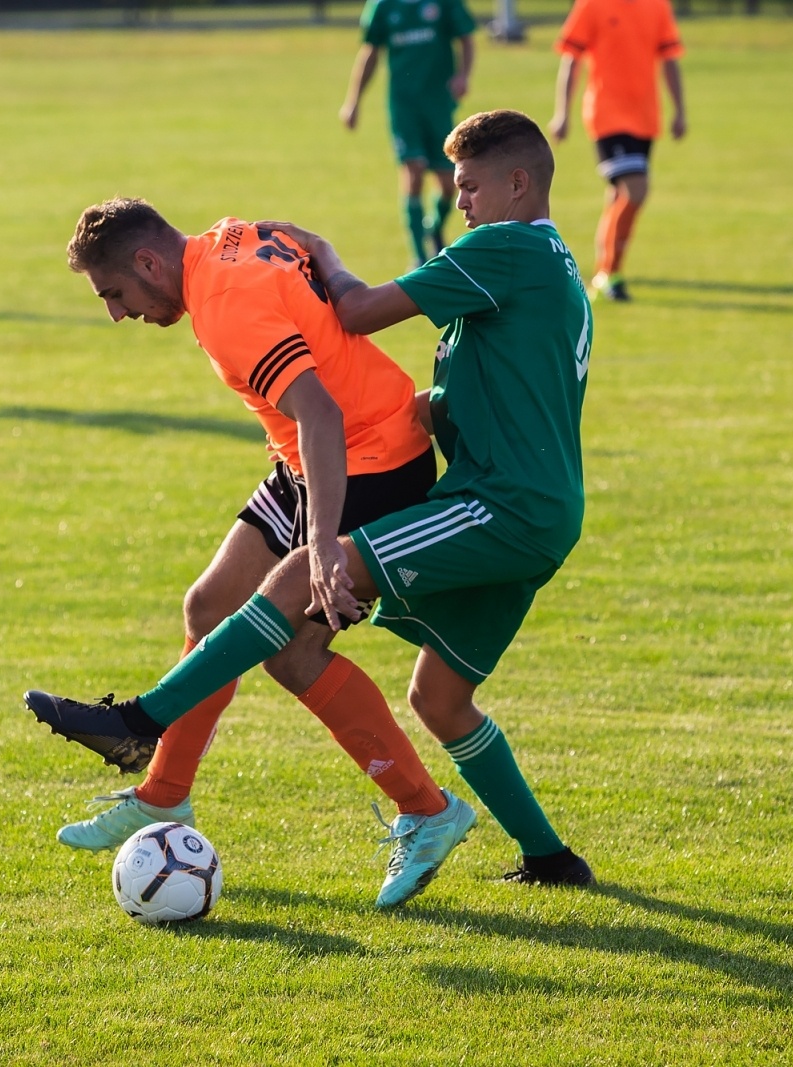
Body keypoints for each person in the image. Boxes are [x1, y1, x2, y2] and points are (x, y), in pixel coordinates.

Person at [30, 110, 595, 890]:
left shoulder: (503, 248)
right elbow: (497, 385)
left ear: (517, 182)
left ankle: (141, 723)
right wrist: (420, 404)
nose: (457, 201)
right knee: (423, 690)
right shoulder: (545, 259)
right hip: (428, 475)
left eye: (467, 185)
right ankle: (552, 859)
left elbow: (348, 341)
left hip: (481, 498)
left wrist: (325, 539)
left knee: (296, 608)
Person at [40, 198, 478, 909]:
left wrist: (325, 545)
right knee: (209, 606)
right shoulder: (232, 237)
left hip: (368, 460)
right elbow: (308, 237)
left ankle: (428, 809)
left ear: (149, 263)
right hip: (314, 458)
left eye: (114, 294)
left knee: (292, 652)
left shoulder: (225, 309)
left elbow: (323, 414)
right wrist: (340, 280)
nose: (117, 314)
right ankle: (163, 796)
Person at [548, 0, 685, 303]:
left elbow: (669, 58)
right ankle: (611, 273)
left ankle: (605, 271)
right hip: (607, 116)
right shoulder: (592, 5)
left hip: (646, 119)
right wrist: (563, 114)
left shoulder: (657, 6)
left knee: (619, 197)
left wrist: (679, 110)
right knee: (636, 189)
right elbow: (572, 58)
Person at [342, 0, 476, 267]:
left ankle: (434, 228)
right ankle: (419, 255)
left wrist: (463, 75)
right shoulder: (383, 6)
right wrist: (354, 101)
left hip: (438, 103)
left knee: (448, 184)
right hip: (403, 105)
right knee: (413, 171)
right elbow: (371, 52)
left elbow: (466, 38)